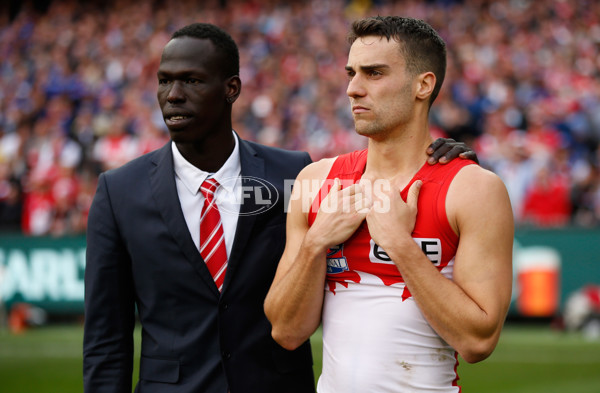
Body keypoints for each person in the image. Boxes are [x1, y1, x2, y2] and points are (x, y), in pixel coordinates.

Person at [83, 22, 476, 393]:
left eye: (192, 80)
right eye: (165, 81)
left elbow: (384, 171)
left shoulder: (292, 174)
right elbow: (106, 337)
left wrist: (444, 155)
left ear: (231, 88)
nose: (173, 95)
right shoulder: (119, 191)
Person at [264, 16, 513, 393]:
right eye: (351, 73)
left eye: (374, 73)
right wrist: (317, 243)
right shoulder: (315, 181)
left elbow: (478, 342)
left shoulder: (474, 189)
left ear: (423, 85)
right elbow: (285, 331)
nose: (353, 89)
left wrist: (399, 244)